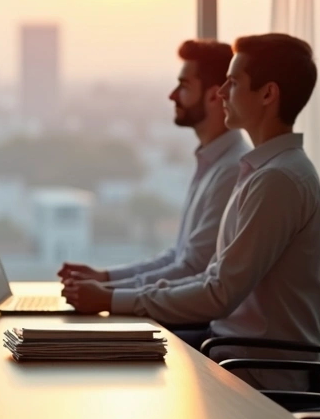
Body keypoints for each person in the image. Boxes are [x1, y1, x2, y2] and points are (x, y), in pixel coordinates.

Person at [62, 33, 320, 391]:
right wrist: (111, 294)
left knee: (108, 366)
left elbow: (218, 291)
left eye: (233, 84)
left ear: (267, 94)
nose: (222, 94)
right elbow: (210, 277)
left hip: (253, 369)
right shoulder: (267, 171)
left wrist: (111, 298)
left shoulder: (276, 180)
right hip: (231, 351)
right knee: (106, 356)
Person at [58, 39, 251, 289]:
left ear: (215, 95)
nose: (172, 95)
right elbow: (179, 257)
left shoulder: (231, 169)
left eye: (183, 86)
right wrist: (105, 278)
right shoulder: (212, 161)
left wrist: (107, 293)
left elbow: (194, 269)